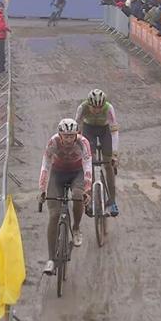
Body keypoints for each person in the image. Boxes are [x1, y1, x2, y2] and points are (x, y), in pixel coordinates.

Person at [38, 118, 92, 275]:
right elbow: (45, 164)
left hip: (77, 173)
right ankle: (50, 259)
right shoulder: (52, 142)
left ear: (77, 134)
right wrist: (42, 189)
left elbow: (88, 166)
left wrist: (87, 190)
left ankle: (75, 228)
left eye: (72, 136)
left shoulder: (83, 143)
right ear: (60, 135)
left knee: (77, 195)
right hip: (58, 173)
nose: (69, 139)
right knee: (54, 215)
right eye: (66, 136)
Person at [75, 89, 120, 217]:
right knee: (90, 163)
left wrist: (114, 155)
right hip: (89, 129)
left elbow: (114, 131)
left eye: (99, 107)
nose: (96, 110)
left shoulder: (108, 108)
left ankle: (112, 201)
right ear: (88, 104)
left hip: (105, 130)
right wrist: (79, 148)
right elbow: (76, 128)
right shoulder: (82, 108)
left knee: (108, 165)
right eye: (93, 107)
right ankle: (89, 199)